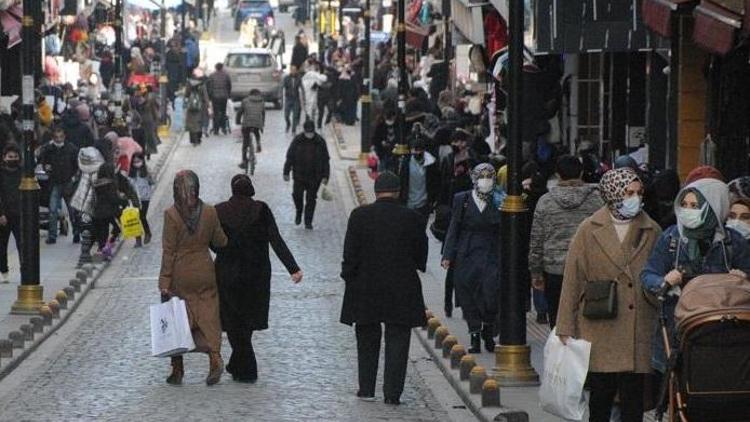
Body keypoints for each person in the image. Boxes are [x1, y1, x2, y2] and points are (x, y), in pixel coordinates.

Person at [557, 168, 661, 422]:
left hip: (638, 324)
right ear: (613, 193)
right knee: (601, 395)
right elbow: (573, 278)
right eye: (628, 192)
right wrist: (565, 325)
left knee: (633, 398)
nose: (634, 198)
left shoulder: (651, 229)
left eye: (638, 192)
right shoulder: (588, 229)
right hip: (600, 322)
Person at [641, 176, 750, 378]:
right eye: (684, 204)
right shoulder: (672, 238)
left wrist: (742, 279)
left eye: (695, 205)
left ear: (714, 207)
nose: (688, 211)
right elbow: (648, 274)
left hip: (723, 332)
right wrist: (664, 281)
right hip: (679, 328)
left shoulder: (732, 243)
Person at [340, 171, 428, 405]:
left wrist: (349, 277)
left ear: (376, 191)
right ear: (398, 192)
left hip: (366, 288)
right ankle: (392, 393)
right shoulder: (413, 218)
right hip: (401, 289)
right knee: (398, 341)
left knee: (367, 340)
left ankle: (367, 388)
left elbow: (350, 255)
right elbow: (421, 257)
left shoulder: (359, 216)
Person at [214, 175, 303, 383]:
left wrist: (223, 252)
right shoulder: (261, 210)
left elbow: (212, 241)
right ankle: (246, 368)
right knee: (248, 319)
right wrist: (293, 268)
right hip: (256, 274)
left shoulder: (218, 211)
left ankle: (240, 365)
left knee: (234, 320)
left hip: (227, 273)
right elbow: (275, 239)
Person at [159, 170, 228, 386]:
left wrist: (164, 282)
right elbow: (221, 241)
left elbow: (168, 250)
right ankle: (215, 358)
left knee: (178, 319)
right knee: (208, 316)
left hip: (180, 273)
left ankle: (177, 368)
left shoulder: (171, 214)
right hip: (205, 270)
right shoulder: (209, 212)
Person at [528, 155, 603, 328]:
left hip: (554, 270)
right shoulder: (597, 200)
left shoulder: (545, 202)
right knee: (587, 320)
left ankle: (560, 352)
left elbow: (537, 240)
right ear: (582, 173)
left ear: (558, 175)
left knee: (557, 320)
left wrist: (536, 272)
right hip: (588, 268)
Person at [441, 163, 501, 353]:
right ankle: (474, 333)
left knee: (491, 293)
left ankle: (489, 328)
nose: (485, 180)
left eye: (489, 176)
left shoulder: (500, 199)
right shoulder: (462, 199)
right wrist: (447, 255)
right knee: (468, 294)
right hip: (467, 252)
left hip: (492, 251)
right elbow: (454, 227)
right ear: (474, 178)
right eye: (481, 176)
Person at [283, 120, 330, 229]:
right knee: (297, 195)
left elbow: (325, 160)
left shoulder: (320, 142)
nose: (309, 134)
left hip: (315, 177)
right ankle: (299, 211)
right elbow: (290, 156)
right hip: (299, 175)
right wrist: (286, 172)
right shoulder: (297, 140)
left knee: (311, 199)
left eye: (311, 132)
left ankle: (308, 221)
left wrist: (326, 176)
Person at [38, 126, 79, 245]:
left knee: (72, 211)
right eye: (56, 137)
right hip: (55, 182)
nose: (59, 139)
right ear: (53, 138)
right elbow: (44, 162)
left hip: (67, 182)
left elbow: (77, 165)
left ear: (64, 137)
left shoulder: (71, 149)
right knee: (53, 210)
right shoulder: (49, 149)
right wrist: (47, 170)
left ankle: (76, 233)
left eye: (60, 137)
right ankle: (52, 235)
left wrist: (73, 178)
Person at [398, 135, 439, 225]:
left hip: (424, 204)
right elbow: (402, 182)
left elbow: (435, 182)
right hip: (408, 203)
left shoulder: (431, 164)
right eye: (415, 150)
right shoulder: (406, 163)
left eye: (420, 150)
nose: (418, 152)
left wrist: (433, 200)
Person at [0, 144, 22, 283]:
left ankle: (24, 270)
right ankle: (4, 271)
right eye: (10, 157)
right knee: (2, 245)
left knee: (23, 244)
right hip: (4, 215)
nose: (13, 159)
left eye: (15, 157)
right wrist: (1, 213)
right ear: (4, 158)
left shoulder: (24, 172)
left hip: (20, 214)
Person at [128, 152, 154, 247]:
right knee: (135, 218)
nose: (137, 163)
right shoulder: (130, 172)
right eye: (134, 162)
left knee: (142, 216)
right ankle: (138, 239)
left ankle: (147, 233)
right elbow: (128, 184)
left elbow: (152, 182)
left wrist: (149, 176)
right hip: (134, 198)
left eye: (138, 161)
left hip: (145, 197)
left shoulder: (146, 171)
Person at [235, 89, 266, 169]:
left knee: (245, 143)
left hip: (247, 124)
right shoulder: (262, 102)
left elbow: (240, 112)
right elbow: (263, 114)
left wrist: (237, 121)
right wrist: (262, 124)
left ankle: (244, 161)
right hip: (257, 123)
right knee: (256, 131)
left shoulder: (245, 101)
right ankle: (258, 143)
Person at [184, 74, 211, 146]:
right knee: (199, 123)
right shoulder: (202, 85)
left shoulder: (189, 84)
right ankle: (198, 139)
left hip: (190, 106)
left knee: (191, 123)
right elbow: (205, 96)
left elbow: (186, 95)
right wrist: (208, 106)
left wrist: (185, 103)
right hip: (200, 106)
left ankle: (192, 140)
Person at [207, 63, 232, 135]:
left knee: (216, 112)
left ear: (215, 68)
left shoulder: (212, 75)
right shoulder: (226, 75)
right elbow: (229, 85)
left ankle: (216, 129)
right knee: (223, 112)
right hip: (224, 96)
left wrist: (210, 96)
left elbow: (209, 86)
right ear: (222, 67)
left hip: (215, 97)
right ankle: (223, 128)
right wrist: (228, 94)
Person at [283, 65, 305, 135]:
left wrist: (304, 98)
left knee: (295, 115)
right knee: (286, 115)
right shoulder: (286, 78)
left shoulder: (299, 78)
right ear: (290, 70)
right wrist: (281, 97)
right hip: (288, 98)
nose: (293, 71)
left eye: (295, 70)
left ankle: (293, 130)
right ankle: (288, 124)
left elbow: (302, 88)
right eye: (292, 70)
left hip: (296, 99)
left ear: (296, 71)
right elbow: (282, 87)